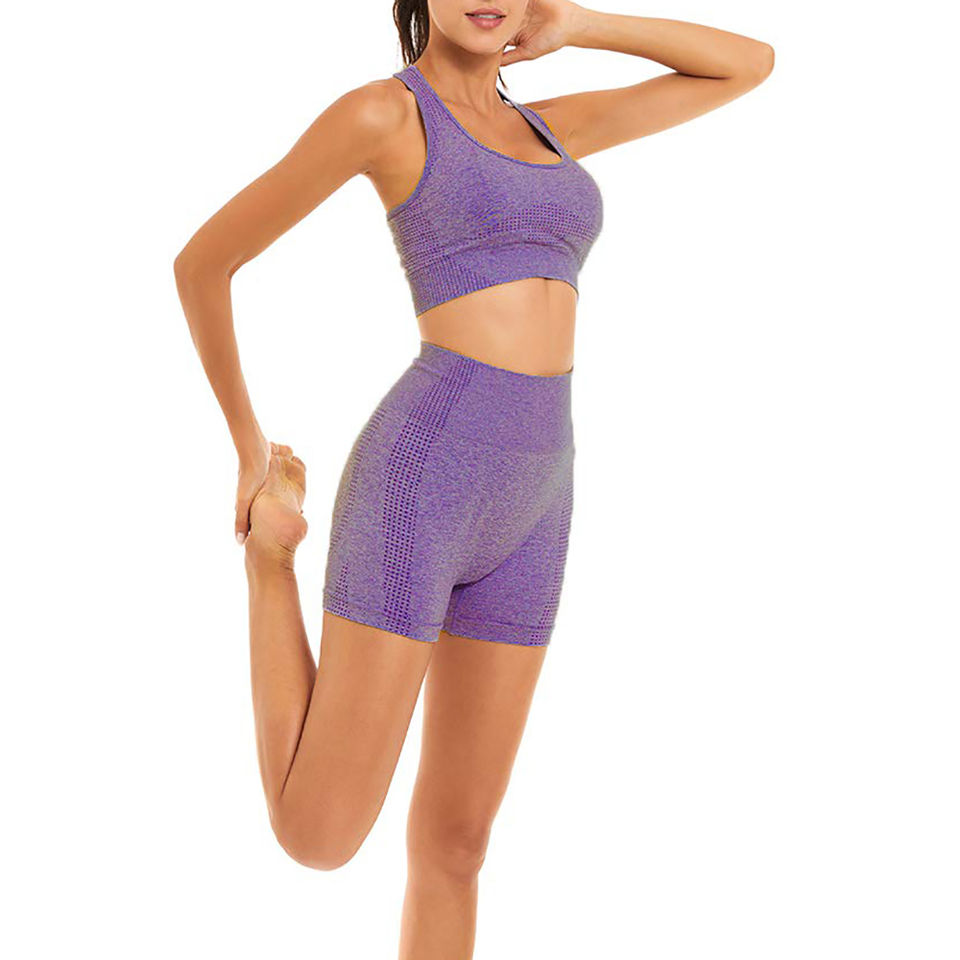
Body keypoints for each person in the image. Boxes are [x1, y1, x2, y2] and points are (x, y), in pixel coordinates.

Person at [173, 1, 773, 956]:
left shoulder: (550, 127)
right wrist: (248, 446)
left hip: (540, 491)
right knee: (320, 836)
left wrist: (575, 26)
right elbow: (205, 262)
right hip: (428, 473)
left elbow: (747, 64)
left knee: (457, 844)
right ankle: (269, 566)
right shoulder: (386, 114)